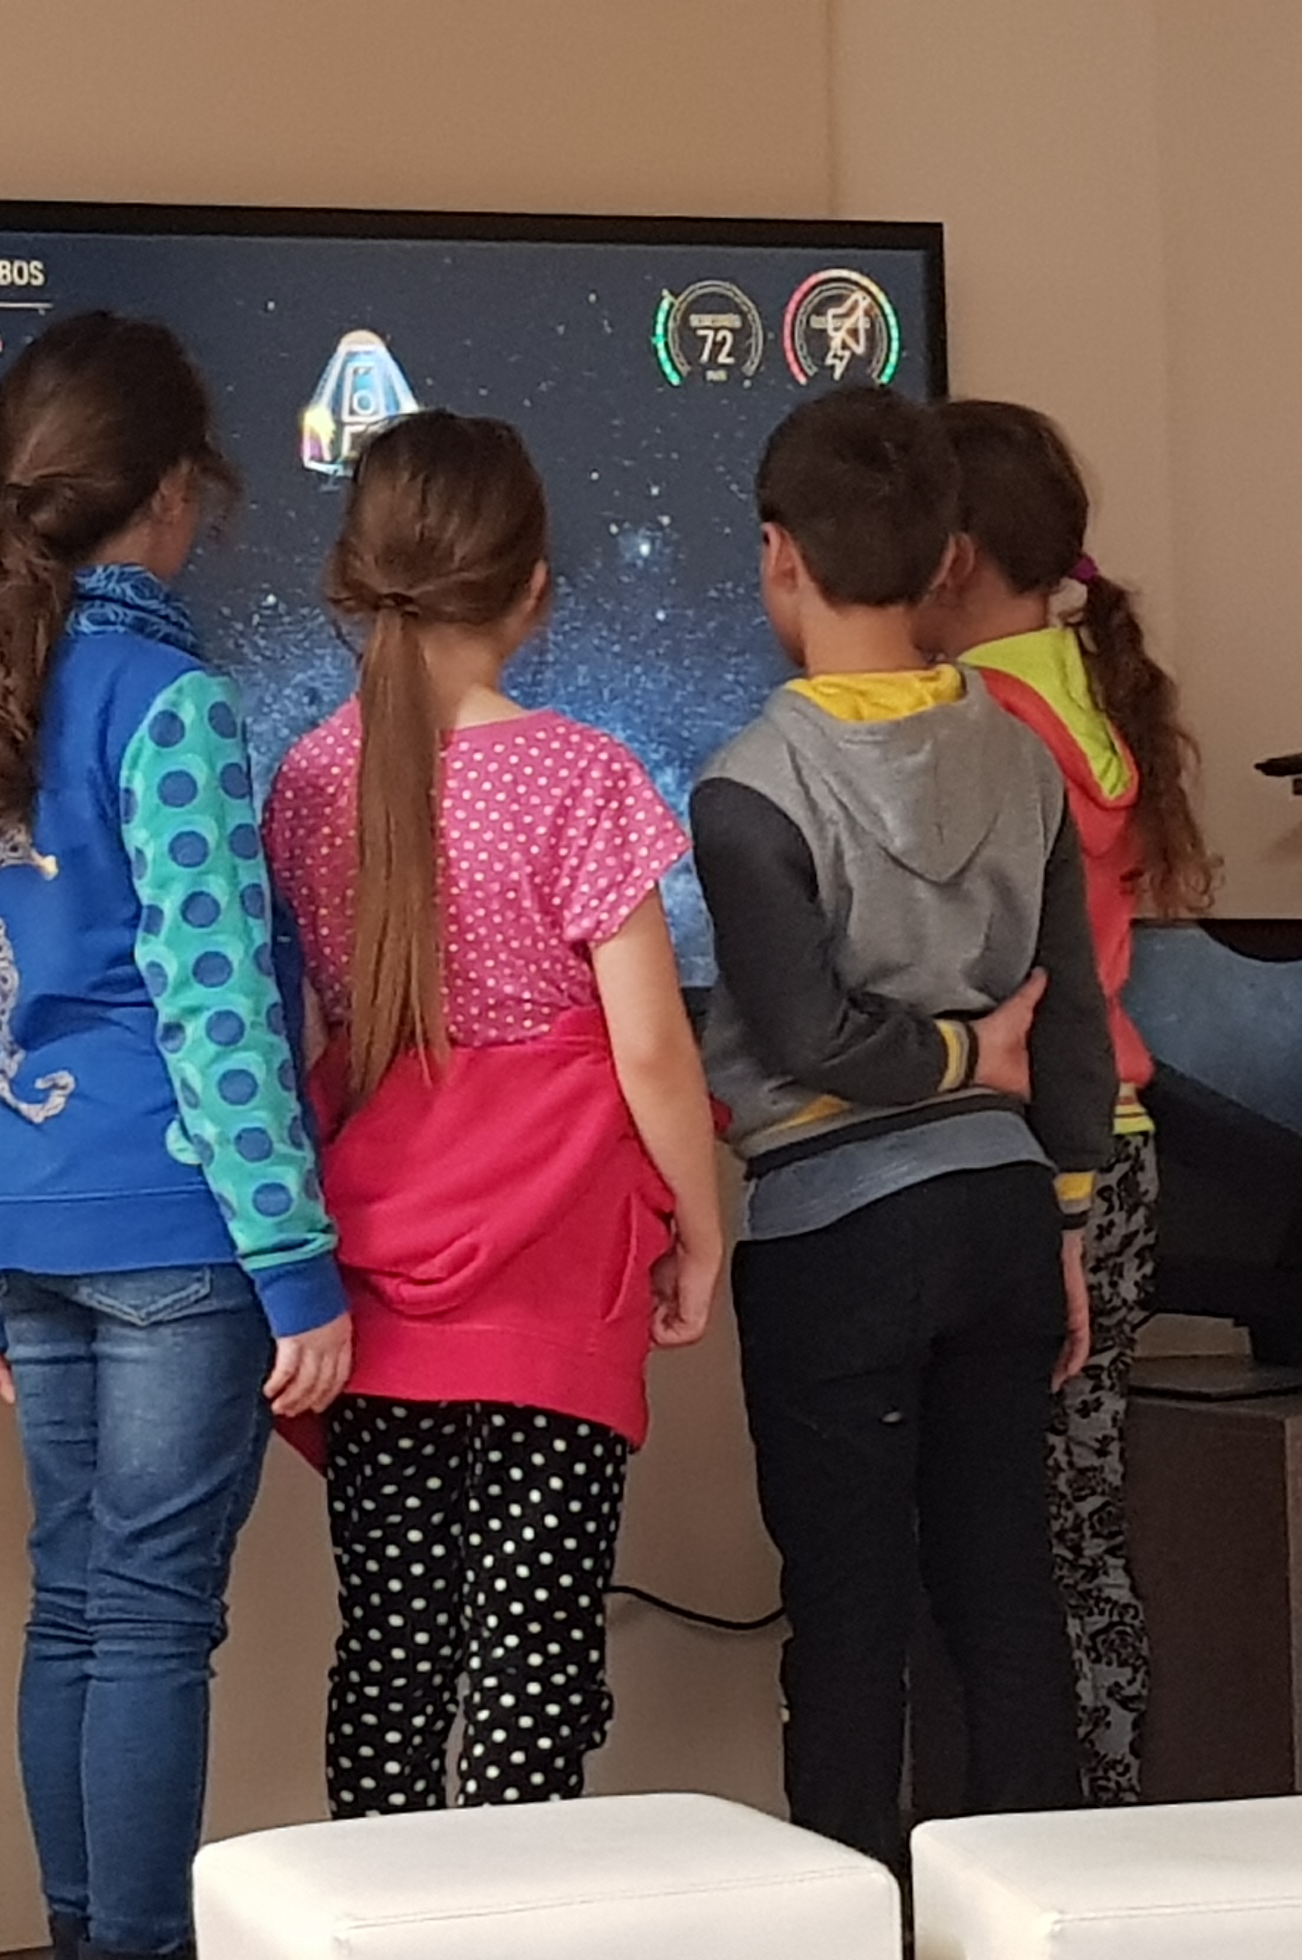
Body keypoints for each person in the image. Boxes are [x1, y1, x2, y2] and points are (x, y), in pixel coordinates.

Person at [0, 311, 350, 1960]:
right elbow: (219, 1009)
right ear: (173, 490)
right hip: (172, 1222)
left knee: (76, 1603)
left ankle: (87, 1937)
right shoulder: (172, 702)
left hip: (27, 1215)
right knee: (153, 1619)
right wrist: (298, 1267)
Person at [262, 410, 728, 1816]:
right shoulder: (581, 774)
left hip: (377, 1257)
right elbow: (653, 1050)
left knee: (391, 1654)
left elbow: (308, 1036)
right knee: (536, 1656)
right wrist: (701, 1229)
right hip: (558, 1265)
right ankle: (514, 1907)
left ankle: (377, 1906)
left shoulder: (306, 780)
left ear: (357, 578)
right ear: (533, 587)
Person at [693, 384, 1119, 1869]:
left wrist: (943, 1055)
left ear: (778, 555)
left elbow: (804, 1036)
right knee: (1005, 1590)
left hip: (838, 1235)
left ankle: (856, 1914)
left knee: (850, 1611)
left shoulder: (748, 788)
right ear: (948, 556)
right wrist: (1067, 1214)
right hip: (1002, 1212)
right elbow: (1067, 1019)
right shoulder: (1020, 758)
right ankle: (1039, 1913)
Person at [919, 398, 1216, 1808]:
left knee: (998, 1530)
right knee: (1077, 1517)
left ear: (948, 557)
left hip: (1033, 1146)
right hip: (1119, 1146)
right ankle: (1103, 1812)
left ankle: (1036, 1825)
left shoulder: (979, 719)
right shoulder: (1088, 696)